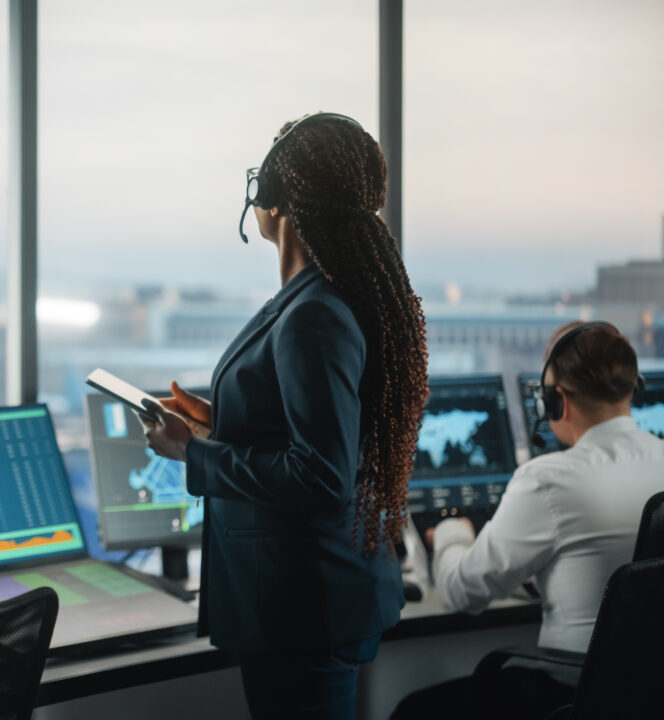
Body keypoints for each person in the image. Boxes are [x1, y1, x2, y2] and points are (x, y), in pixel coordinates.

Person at [143, 112, 428, 719]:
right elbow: (311, 427)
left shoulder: (314, 314)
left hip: (300, 605)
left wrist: (190, 452)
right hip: (306, 598)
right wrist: (218, 421)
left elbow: (321, 474)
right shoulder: (320, 298)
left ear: (275, 198)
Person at [392, 322, 664, 719]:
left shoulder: (549, 480)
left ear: (555, 402)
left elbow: (462, 593)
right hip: (649, 696)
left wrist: (452, 532)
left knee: (413, 711)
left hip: (570, 694)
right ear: (631, 389)